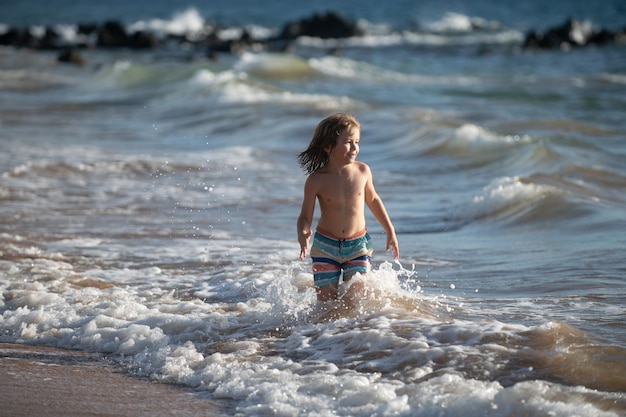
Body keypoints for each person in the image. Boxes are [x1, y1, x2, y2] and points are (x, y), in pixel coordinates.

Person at [296, 113, 399, 303]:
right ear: (328, 146)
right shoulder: (316, 180)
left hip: (358, 245)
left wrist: (389, 229)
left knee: (356, 300)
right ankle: (326, 333)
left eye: (357, 142)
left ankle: (353, 332)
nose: (355, 147)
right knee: (326, 305)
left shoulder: (363, 171)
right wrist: (303, 233)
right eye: (348, 142)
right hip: (325, 246)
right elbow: (305, 215)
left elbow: (374, 200)